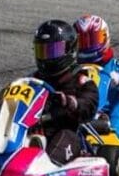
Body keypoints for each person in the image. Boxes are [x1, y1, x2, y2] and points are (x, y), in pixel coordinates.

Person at [31, 19, 99, 163]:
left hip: (67, 133)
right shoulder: (32, 80)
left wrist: (71, 103)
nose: (46, 58)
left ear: (70, 50)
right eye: (42, 51)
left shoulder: (81, 81)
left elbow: (88, 105)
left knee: (65, 136)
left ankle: (45, 163)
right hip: (33, 129)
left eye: (52, 51)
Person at [73, 14, 119, 141]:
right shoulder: (73, 69)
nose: (88, 46)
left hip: (111, 112)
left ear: (105, 37)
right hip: (82, 111)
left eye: (93, 39)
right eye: (82, 41)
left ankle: (114, 142)